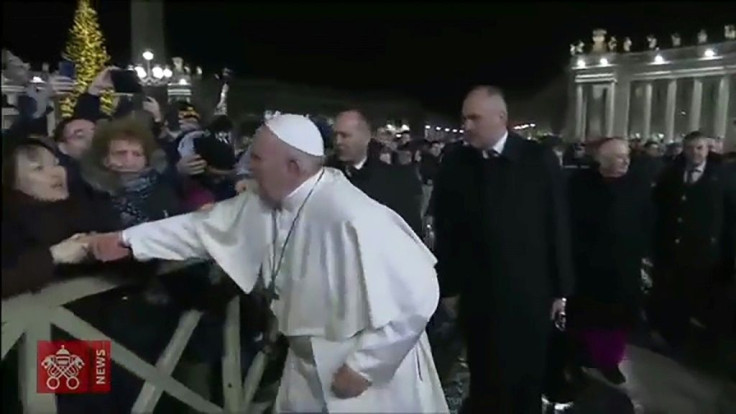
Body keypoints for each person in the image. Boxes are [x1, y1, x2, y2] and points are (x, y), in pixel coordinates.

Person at [87, 114, 449, 413]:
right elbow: (200, 229)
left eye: (257, 159)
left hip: (363, 373)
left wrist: (367, 366)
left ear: (293, 165)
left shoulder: (351, 213)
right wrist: (128, 240)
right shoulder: (267, 199)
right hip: (305, 362)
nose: (248, 167)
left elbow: (418, 293)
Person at [432, 86, 573, 414]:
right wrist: (448, 288)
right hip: (477, 295)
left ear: (501, 118)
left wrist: (560, 291)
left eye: (474, 118)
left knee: (525, 379)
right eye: (464, 117)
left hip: (529, 295)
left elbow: (558, 226)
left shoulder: (538, 160)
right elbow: (447, 231)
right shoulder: (456, 163)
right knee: (483, 375)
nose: (466, 125)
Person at [567, 138, 653, 385]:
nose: (625, 160)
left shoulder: (638, 184)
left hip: (624, 266)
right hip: (587, 267)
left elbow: (648, 220)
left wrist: (641, 251)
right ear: (601, 161)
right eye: (618, 156)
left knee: (616, 321)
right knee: (584, 318)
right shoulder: (579, 185)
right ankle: (577, 359)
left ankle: (609, 361)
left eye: (626, 155)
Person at [650, 130, 736, 351]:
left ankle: (704, 343)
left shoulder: (723, 177)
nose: (695, 153)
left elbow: (729, 216)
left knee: (703, 299)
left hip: (706, 252)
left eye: (699, 148)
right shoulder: (670, 174)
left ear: (708, 149)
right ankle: (673, 338)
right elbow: (659, 209)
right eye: (690, 148)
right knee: (674, 297)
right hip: (674, 249)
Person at [328, 109, 424, 236]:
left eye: (345, 136)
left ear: (366, 137)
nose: (338, 142)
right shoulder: (323, 176)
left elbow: (409, 231)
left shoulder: (396, 181)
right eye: (335, 136)